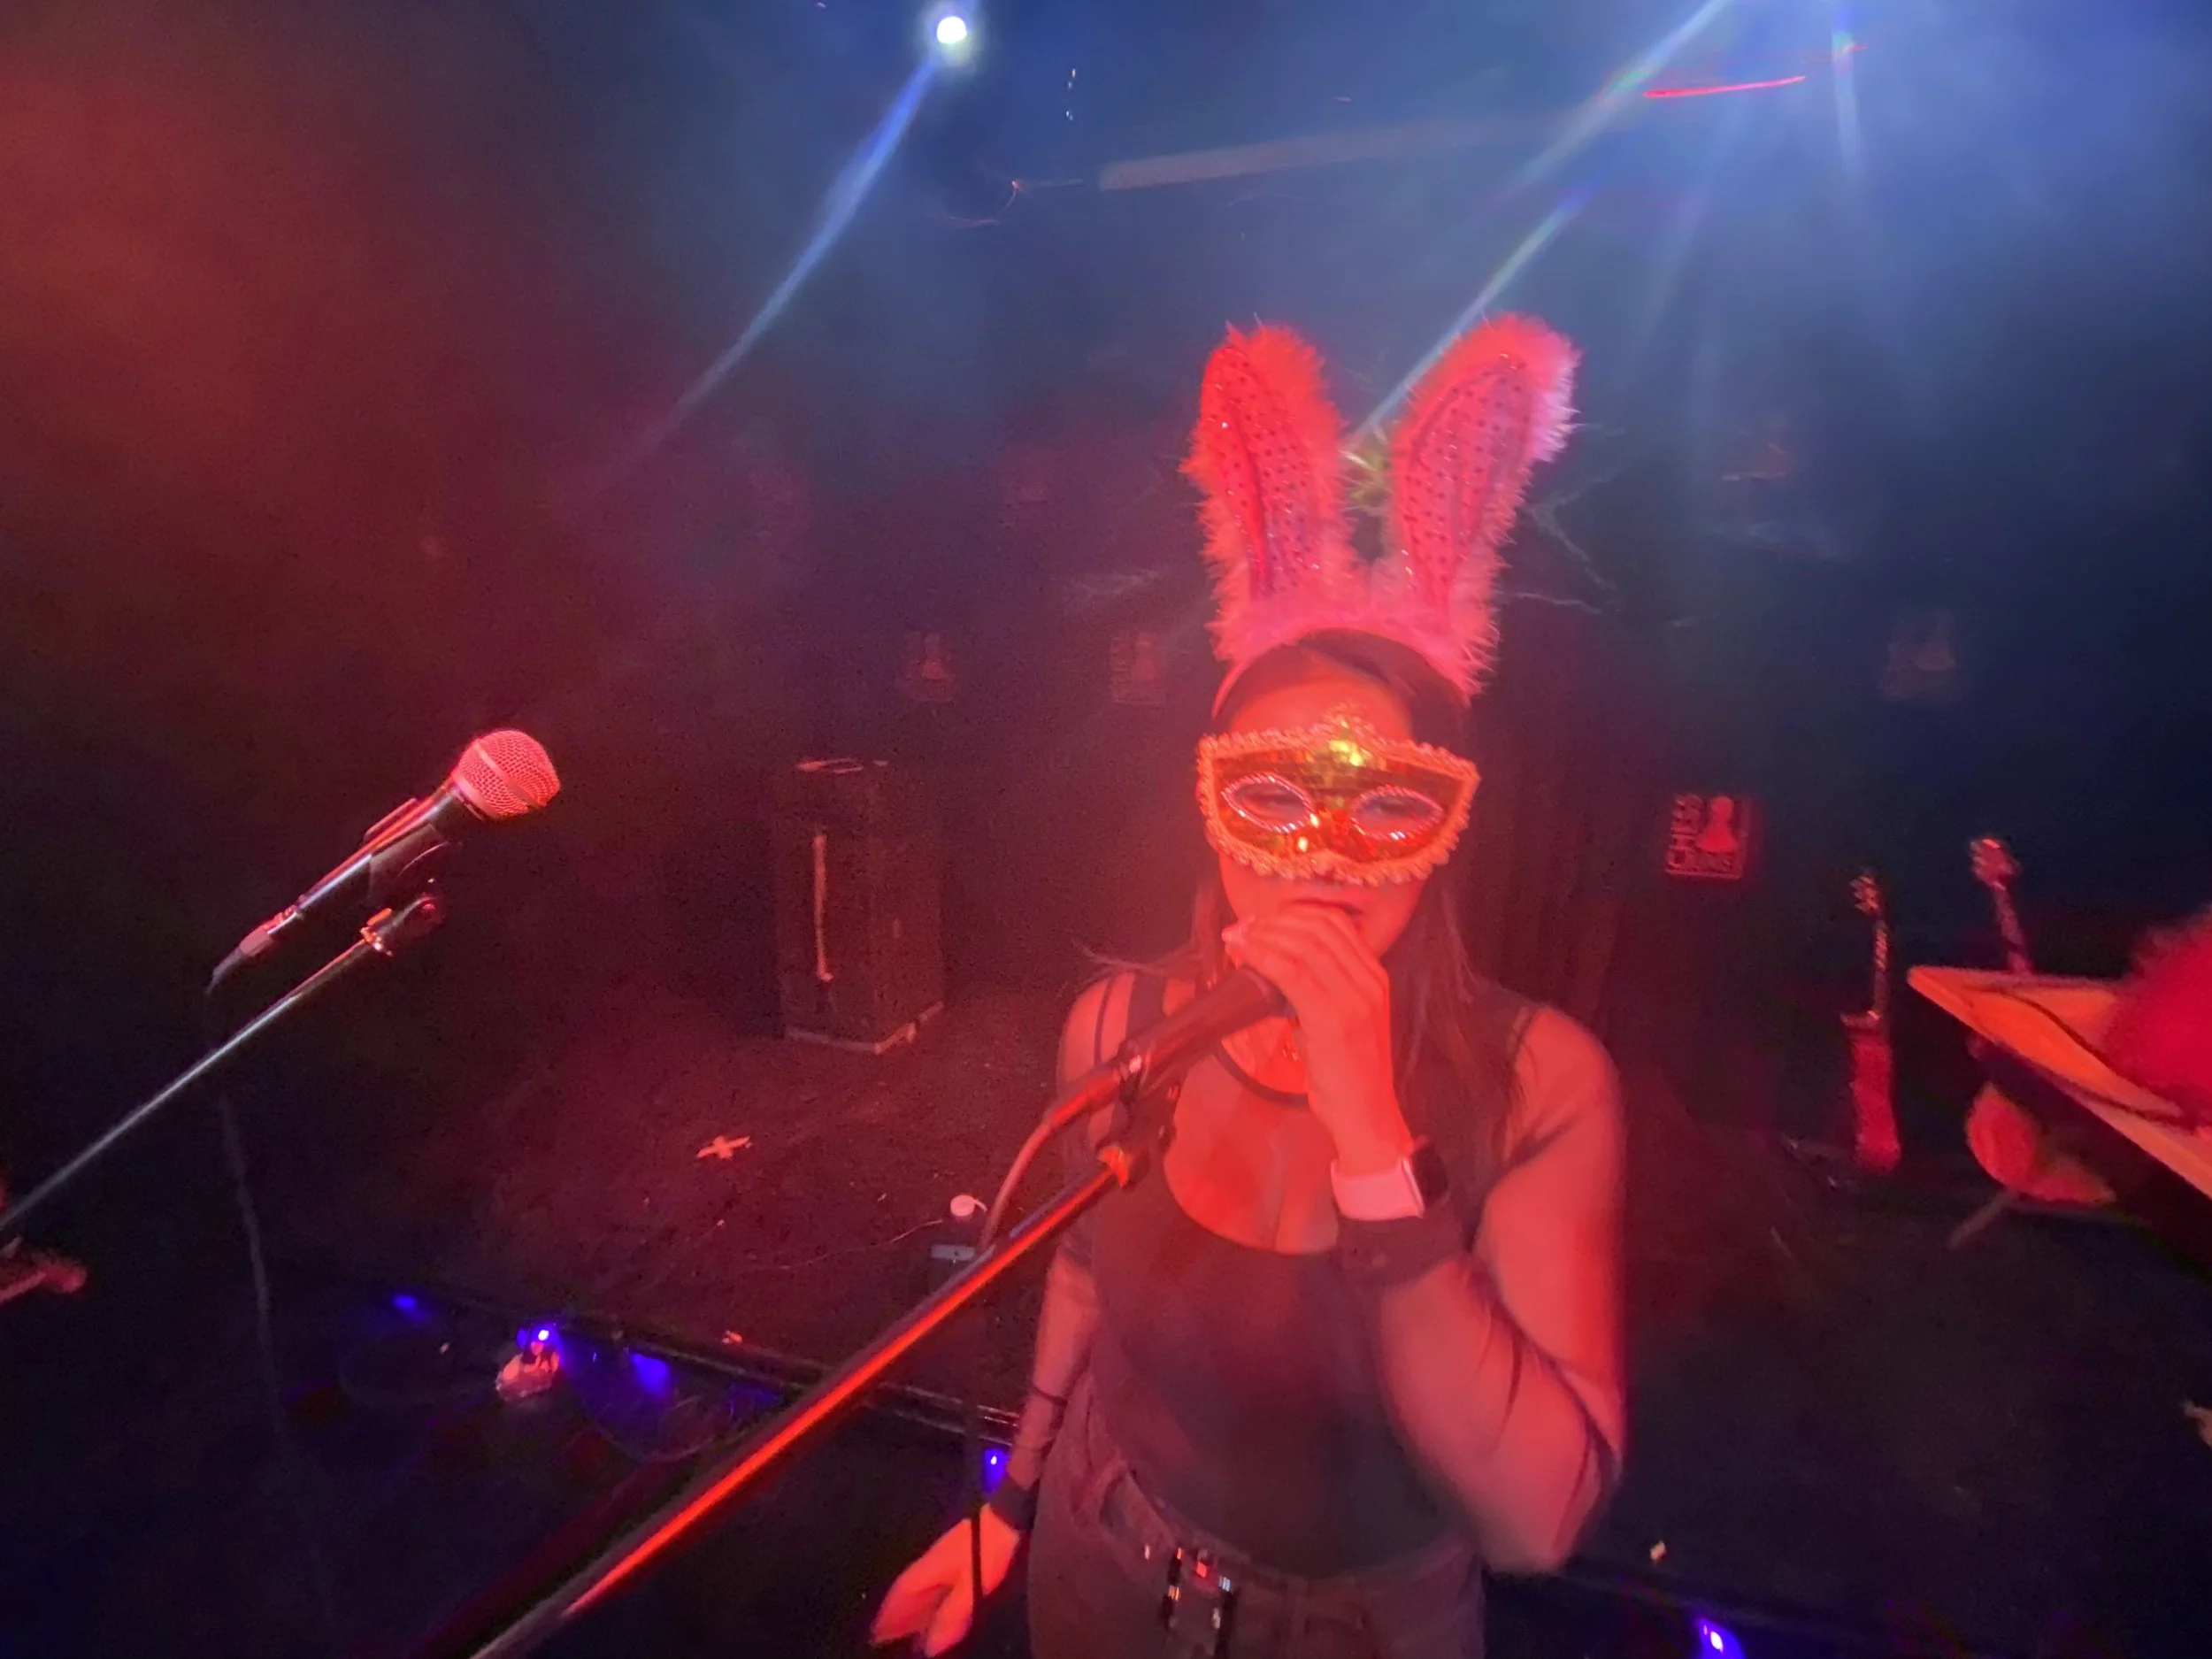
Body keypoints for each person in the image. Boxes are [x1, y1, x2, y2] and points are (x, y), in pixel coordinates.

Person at [873, 317, 1624, 1658]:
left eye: (1385, 805)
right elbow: (1086, 1283)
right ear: (1212, 812)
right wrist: (1015, 1505)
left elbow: (1534, 1520)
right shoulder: (1121, 1028)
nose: (1323, 855)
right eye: (1272, 796)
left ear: (1448, 826)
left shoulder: (1541, 1085)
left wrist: (1375, 1147)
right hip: (1104, 1578)